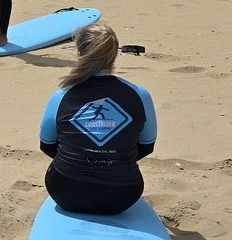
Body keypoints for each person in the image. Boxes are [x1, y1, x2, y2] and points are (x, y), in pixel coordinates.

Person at [38, 22, 156, 216]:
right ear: (114, 54)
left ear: (79, 54)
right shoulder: (140, 95)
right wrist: (110, 160)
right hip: (123, 195)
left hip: (65, 191)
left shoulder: (61, 95)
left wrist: (85, 160)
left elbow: (47, 145)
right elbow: (146, 146)